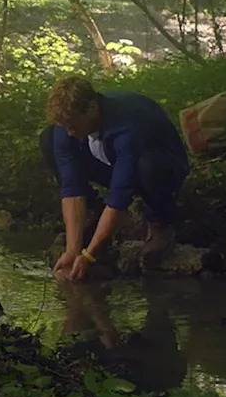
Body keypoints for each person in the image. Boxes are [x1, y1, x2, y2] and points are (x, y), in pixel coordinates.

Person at [42, 75, 189, 281]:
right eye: (65, 126)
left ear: (92, 108)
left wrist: (89, 255)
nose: (69, 132)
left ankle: (160, 221)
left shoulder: (127, 123)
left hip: (160, 167)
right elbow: (72, 188)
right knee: (49, 139)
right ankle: (91, 213)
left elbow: (120, 196)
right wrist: (73, 250)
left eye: (73, 126)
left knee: (149, 167)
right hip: (111, 162)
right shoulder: (67, 128)